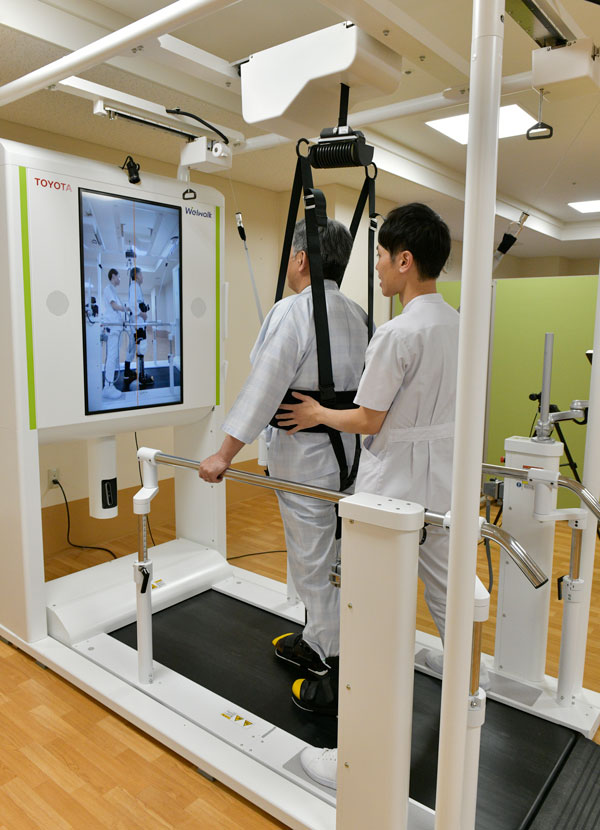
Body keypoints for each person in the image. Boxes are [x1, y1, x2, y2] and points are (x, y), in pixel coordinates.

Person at [276, 203, 459, 785]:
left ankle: (360, 755)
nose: (375, 267)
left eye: (380, 256)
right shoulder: (457, 324)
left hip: (394, 488)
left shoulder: (397, 332)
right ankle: (463, 693)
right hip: (443, 482)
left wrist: (317, 414)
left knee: (372, 613)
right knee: (447, 595)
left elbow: (368, 418)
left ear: (405, 260)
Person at [198, 218, 369, 711]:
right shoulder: (359, 314)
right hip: (350, 456)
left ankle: (329, 665)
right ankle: (320, 638)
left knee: (313, 562)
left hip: (306, 459)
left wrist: (224, 455)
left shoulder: (293, 311)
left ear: (300, 258)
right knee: (335, 553)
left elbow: (263, 388)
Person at [102, 268, 130, 400]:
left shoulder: (114, 291)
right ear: (113, 276)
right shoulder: (108, 289)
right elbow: (114, 306)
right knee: (112, 357)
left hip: (117, 328)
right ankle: (107, 387)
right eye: (118, 276)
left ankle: (109, 385)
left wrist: (123, 320)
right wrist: (126, 308)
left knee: (114, 356)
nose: (119, 279)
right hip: (112, 328)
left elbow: (117, 310)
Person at [126, 266, 154, 386]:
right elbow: (133, 305)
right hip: (138, 323)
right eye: (141, 274)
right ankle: (141, 377)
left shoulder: (135, 287)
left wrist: (144, 309)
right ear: (137, 275)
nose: (143, 277)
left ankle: (135, 373)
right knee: (141, 348)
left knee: (137, 348)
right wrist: (142, 314)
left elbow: (137, 304)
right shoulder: (134, 287)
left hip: (138, 323)